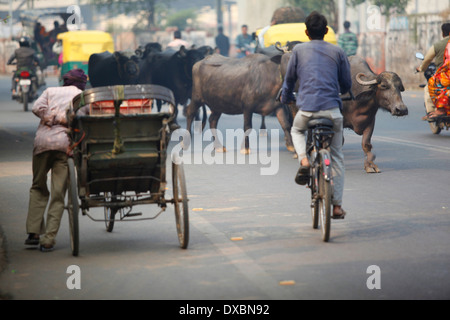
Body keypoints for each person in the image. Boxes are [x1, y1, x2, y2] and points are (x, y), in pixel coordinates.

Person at [281, 11, 352, 219]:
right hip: (332, 112)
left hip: (307, 110)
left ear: (306, 32)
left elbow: (289, 81)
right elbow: (346, 83)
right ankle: (337, 206)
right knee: (337, 155)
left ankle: (303, 159)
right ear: (327, 31)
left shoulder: (298, 51)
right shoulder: (338, 51)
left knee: (296, 129)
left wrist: (285, 97)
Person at [25, 69, 87, 252]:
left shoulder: (50, 92)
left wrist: (51, 118)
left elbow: (36, 108)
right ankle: (48, 239)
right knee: (58, 194)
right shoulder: (81, 96)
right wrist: (64, 120)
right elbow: (85, 118)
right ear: (81, 84)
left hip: (42, 145)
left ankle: (33, 232)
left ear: (65, 81)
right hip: (65, 148)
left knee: (38, 186)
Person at [417, 23, 450, 118]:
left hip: (445, 74)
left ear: (443, 33)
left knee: (431, 85)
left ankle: (436, 111)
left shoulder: (439, 45)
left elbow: (427, 59)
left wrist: (421, 68)